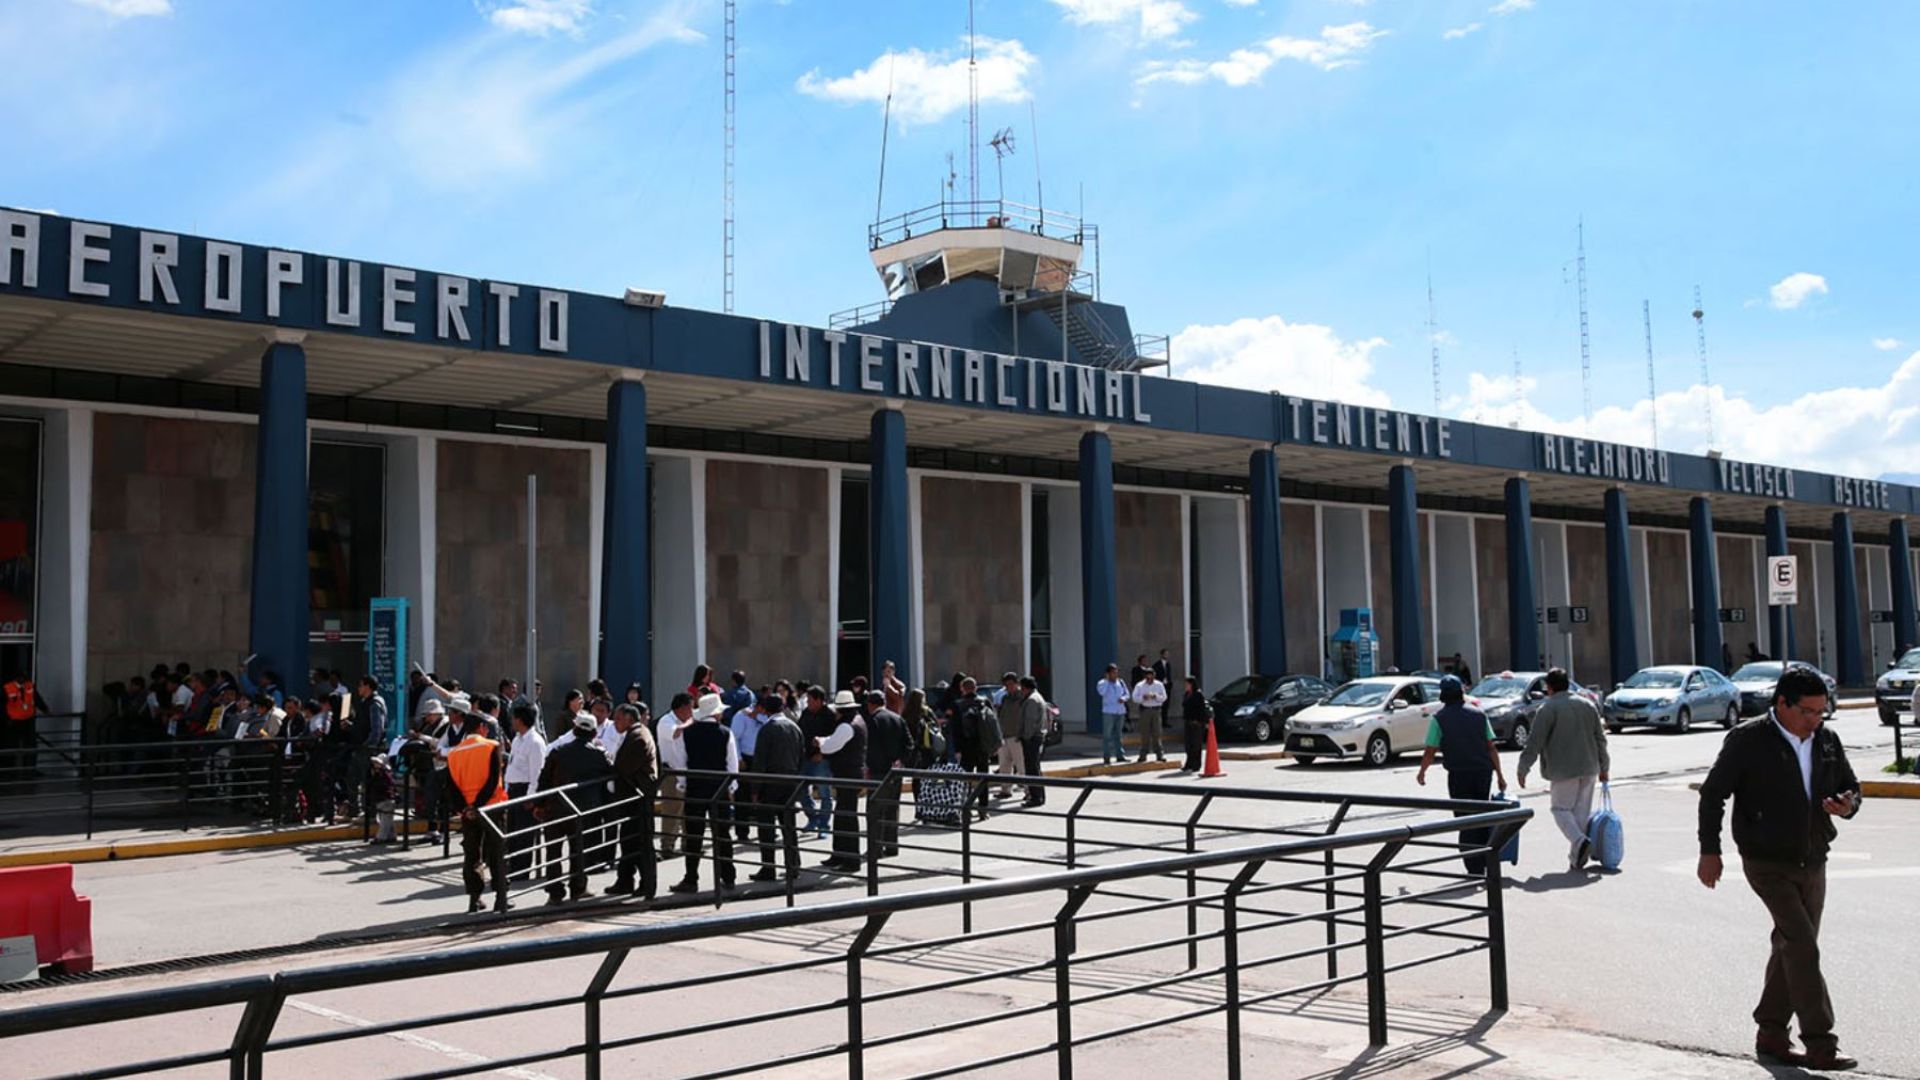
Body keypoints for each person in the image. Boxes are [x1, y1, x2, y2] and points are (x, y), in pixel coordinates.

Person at [1697, 666, 1861, 1070]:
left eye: (1822, 711)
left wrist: (1847, 805)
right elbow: (1713, 794)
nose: (1815, 719)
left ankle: (1770, 1032)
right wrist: (1710, 851)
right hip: (1766, 860)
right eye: (1807, 711)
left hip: (1813, 858)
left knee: (1791, 946)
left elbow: (1852, 788)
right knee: (1802, 945)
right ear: (1782, 704)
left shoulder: (1827, 741)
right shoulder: (1748, 740)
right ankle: (1820, 1043)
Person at [1514, 668, 1610, 871]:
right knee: (1581, 814)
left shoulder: (1548, 709)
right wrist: (1604, 766)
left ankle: (1579, 842)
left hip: (1563, 770)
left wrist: (1523, 768)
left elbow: (1534, 742)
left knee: (1560, 809)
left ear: (1549, 687)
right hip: (1590, 767)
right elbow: (1600, 739)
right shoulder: (1587, 705)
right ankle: (1576, 859)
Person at [1415, 674, 1509, 875]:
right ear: (1461, 693)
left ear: (1442, 695)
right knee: (1482, 816)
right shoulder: (1479, 714)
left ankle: (1473, 866)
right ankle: (1485, 861)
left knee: (1465, 820)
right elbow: (1491, 747)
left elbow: (1430, 750)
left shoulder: (1439, 719)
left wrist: (1422, 771)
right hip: (1483, 773)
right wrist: (1500, 775)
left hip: (1459, 775)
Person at [537, 712, 613, 905]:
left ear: (575, 729)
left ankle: (555, 892)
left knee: (553, 851)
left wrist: (539, 804)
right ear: (594, 733)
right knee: (578, 849)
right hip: (583, 811)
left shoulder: (558, 752)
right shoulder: (598, 754)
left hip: (556, 808)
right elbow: (612, 772)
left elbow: (544, 780)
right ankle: (578, 887)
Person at [671, 693, 739, 894]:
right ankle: (728, 876)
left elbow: (680, 761)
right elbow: (732, 764)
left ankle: (691, 878)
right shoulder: (725, 733)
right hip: (719, 788)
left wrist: (683, 784)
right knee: (723, 834)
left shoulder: (688, 732)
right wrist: (732, 787)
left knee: (693, 834)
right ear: (716, 713)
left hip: (695, 787)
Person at [445, 723, 508, 914]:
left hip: (467, 812)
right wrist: (478, 804)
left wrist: (466, 807)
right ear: (481, 727)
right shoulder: (492, 746)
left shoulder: (454, 753)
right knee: (497, 853)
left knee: (472, 854)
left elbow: (451, 786)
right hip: (491, 807)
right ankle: (500, 897)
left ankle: (474, 899)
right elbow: (493, 779)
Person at [749, 694, 806, 883]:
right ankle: (793, 865)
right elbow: (801, 756)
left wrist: (755, 790)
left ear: (766, 709)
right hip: (790, 781)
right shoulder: (794, 727)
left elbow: (760, 761)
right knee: (789, 826)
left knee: (766, 827)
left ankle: (769, 867)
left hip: (770, 782)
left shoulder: (767, 730)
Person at [609, 702, 659, 899]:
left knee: (639, 843)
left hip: (637, 798)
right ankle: (625, 880)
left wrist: (610, 766)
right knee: (630, 842)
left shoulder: (637, 737)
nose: (615, 722)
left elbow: (624, 767)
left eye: (618, 718)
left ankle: (646, 885)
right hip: (633, 797)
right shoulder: (636, 734)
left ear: (630, 719)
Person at [815, 690, 869, 871]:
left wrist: (820, 742)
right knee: (843, 815)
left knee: (846, 817)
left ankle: (850, 859)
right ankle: (839, 854)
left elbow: (830, 747)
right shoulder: (857, 721)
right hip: (850, 774)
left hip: (847, 774)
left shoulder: (846, 726)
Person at [863, 690, 909, 857]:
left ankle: (876, 849)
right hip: (895, 771)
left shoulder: (873, 721)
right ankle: (891, 846)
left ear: (871, 704)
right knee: (892, 809)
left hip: (878, 771)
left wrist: (868, 768)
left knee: (875, 811)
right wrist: (900, 760)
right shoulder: (898, 718)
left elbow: (872, 749)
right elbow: (909, 744)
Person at [503, 704, 548, 877]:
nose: (512, 721)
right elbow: (512, 765)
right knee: (512, 832)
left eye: (514, 718)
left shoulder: (535, 742)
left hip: (525, 790)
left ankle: (521, 871)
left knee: (524, 833)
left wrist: (531, 797)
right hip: (513, 790)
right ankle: (512, 867)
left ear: (521, 720)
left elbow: (536, 772)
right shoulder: (517, 739)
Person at [953, 677, 998, 819]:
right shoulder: (985, 702)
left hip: (966, 747)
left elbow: (956, 730)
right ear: (976, 688)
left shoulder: (958, 705)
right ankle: (983, 809)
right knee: (983, 778)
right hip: (983, 746)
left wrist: (957, 749)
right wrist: (995, 744)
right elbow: (993, 724)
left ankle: (966, 807)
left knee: (966, 779)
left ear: (962, 689)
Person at [797, 686, 838, 837]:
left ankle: (824, 825)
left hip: (822, 761)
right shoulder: (806, 713)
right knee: (801, 791)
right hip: (805, 758)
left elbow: (835, 739)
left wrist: (823, 754)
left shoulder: (830, 715)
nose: (807, 703)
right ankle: (813, 817)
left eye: (810, 700)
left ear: (819, 700)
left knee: (824, 793)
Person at [656, 694, 693, 859]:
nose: (692, 711)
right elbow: (675, 734)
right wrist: (690, 723)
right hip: (671, 772)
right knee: (671, 809)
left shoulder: (683, 721)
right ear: (682, 707)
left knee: (686, 811)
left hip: (685, 770)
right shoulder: (666, 721)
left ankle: (687, 843)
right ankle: (667, 846)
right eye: (690, 707)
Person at [1016, 677, 1049, 807]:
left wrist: (1026, 737)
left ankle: (1036, 797)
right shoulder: (1036, 697)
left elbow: (1029, 722)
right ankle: (1038, 795)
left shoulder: (1031, 700)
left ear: (1025, 687)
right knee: (1034, 768)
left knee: (1032, 769)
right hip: (1035, 737)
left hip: (1032, 738)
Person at [993, 673, 1024, 799]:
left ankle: (1028, 791)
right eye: (1006, 685)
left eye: (1011, 684)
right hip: (1004, 736)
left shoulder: (1023, 698)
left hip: (1017, 736)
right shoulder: (1005, 698)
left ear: (1017, 684)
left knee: (1022, 766)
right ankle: (1005, 790)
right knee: (1004, 765)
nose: (1008, 687)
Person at [1130, 668, 1170, 764]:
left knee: (1157, 733)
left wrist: (1156, 696)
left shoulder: (1159, 685)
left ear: (1154, 676)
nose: (1149, 679)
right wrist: (1143, 697)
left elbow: (1164, 697)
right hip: (1145, 710)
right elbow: (1134, 698)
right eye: (1147, 677)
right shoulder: (1140, 685)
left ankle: (1159, 754)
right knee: (1145, 733)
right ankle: (1143, 755)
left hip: (1156, 710)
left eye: (1151, 677)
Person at [1095, 664, 1130, 766]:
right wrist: (1107, 680)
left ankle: (1120, 755)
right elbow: (1102, 692)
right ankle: (1107, 757)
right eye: (1113, 672)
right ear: (1108, 673)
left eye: (1116, 672)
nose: (1116, 674)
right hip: (1109, 712)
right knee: (1107, 736)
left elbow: (1127, 694)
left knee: (1118, 735)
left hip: (1120, 711)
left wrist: (1123, 699)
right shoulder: (1102, 683)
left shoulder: (1121, 682)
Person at [1181, 677, 1212, 773]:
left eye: (1187, 684)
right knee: (1188, 744)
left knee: (1196, 745)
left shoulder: (1198, 694)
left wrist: (1200, 721)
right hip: (1188, 721)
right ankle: (1188, 763)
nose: (1185, 686)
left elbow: (1201, 709)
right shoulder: (1186, 694)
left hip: (1197, 723)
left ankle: (1196, 765)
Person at [366, 754, 397, 843]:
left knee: (385, 820)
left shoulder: (383, 774)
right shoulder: (378, 773)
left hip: (386, 798)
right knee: (387, 819)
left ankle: (381, 837)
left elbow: (388, 786)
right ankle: (391, 836)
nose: (375, 764)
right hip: (381, 798)